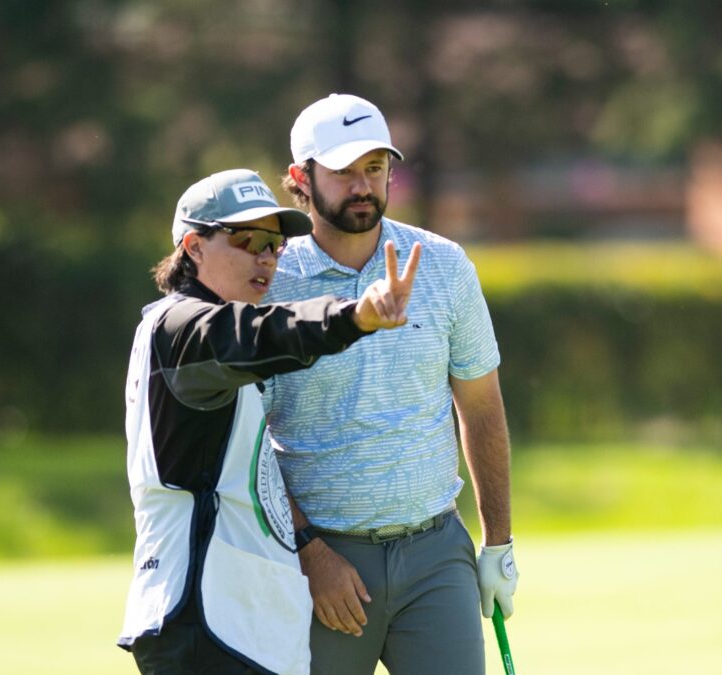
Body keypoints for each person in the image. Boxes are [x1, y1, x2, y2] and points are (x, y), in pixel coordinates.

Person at [117, 168, 421, 675]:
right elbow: (262, 334)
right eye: (247, 239)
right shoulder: (184, 326)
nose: (266, 257)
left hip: (232, 626)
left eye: (274, 244)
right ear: (193, 247)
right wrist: (353, 317)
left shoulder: (196, 329)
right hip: (203, 621)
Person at [263, 93, 517, 675]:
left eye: (374, 168)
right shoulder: (273, 282)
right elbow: (251, 444)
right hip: (323, 564)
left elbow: (480, 407)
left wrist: (497, 543)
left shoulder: (445, 265)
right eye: (345, 171)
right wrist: (311, 554)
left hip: (435, 556)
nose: (363, 185)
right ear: (302, 178)